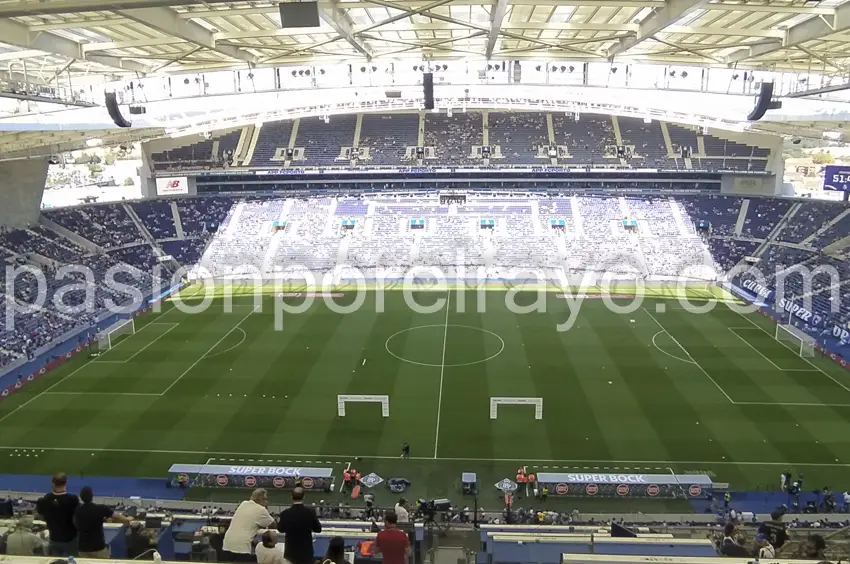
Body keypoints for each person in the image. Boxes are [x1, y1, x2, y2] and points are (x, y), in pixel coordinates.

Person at [74, 486, 132, 558]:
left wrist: (102, 519)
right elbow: (116, 516)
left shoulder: (77, 509)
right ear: (92, 496)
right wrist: (127, 519)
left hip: (82, 548)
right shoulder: (101, 508)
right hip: (98, 547)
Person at [223, 489, 276, 562]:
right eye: (265, 499)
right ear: (261, 499)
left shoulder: (243, 503)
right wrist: (265, 509)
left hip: (227, 544)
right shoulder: (261, 510)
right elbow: (273, 525)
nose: (267, 501)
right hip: (241, 548)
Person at [35, 472, 79, 556]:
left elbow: (40, 515)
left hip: (54, 537)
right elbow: (77, 517)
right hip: (70, 538)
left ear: (53, 484)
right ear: (66, 483)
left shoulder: (46, 499)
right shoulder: (73, 499)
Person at [278, 487, 322, 564]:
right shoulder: (310, 512)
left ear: (291, 497)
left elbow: (280, 529)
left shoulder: (285, 514)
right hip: (306, 552)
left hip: (290, 552)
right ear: (304, 497)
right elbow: (318, 529)